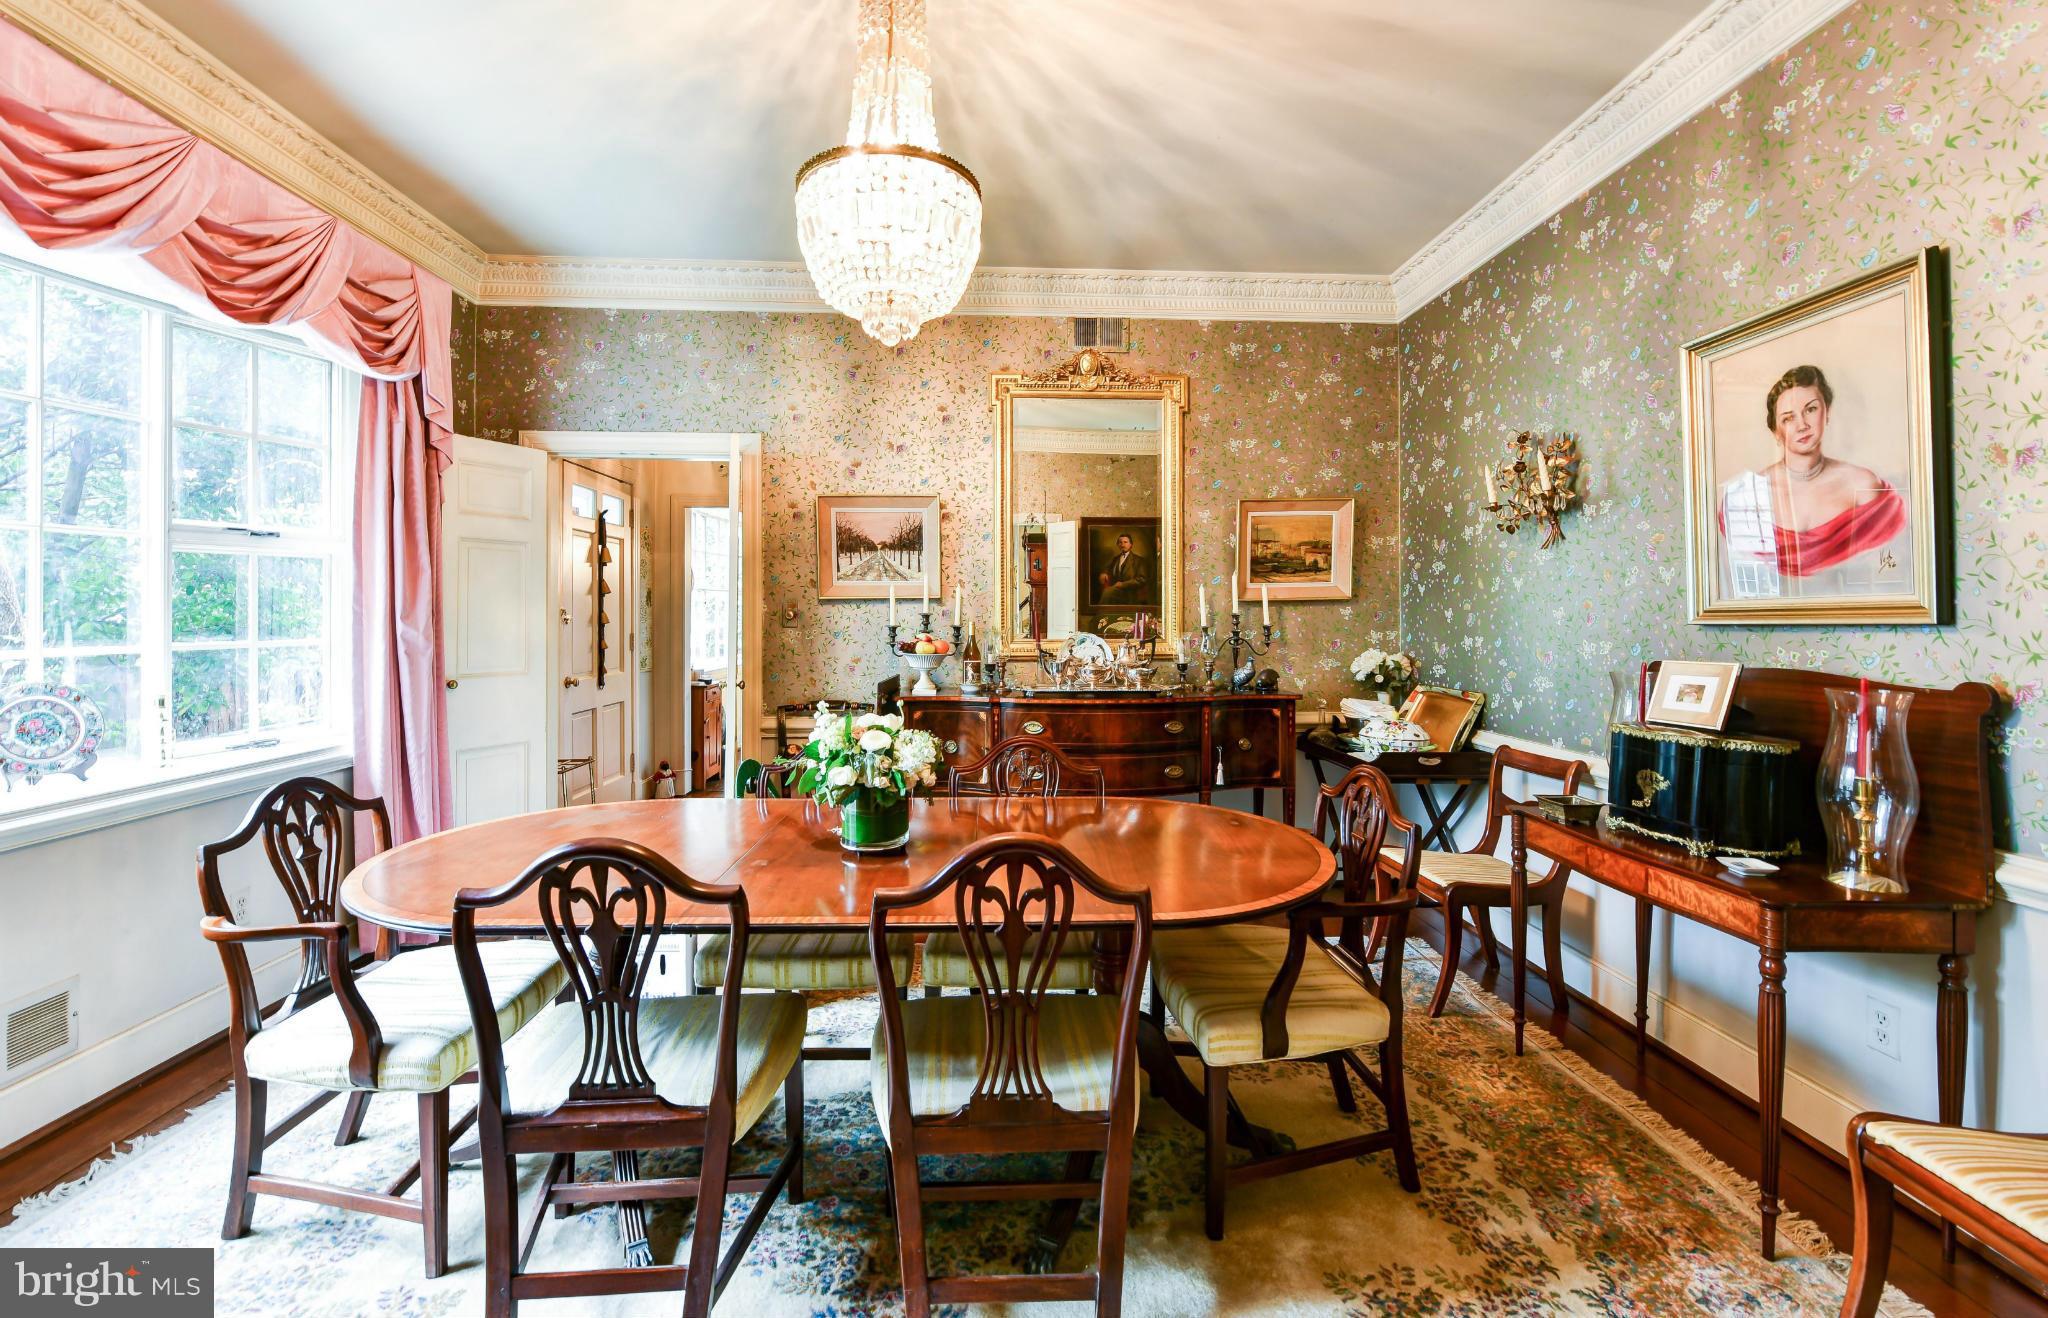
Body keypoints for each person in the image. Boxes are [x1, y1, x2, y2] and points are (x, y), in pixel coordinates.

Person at [1718, 364, 1907, 597]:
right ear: (1776, 431)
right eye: (1788, 418)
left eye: (1811, 409)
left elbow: (1889, 574)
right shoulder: (1746, 496)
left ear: (1826, 412)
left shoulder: (1863, 485)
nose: (1802, 425)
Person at [1097, 532, 1152, 604]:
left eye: (1125, 542)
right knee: (1106, 592)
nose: (1122, 545)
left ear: (1131, 544)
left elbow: (1142, 579)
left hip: (1130, 593)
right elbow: (1108, 569)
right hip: (1116, 591)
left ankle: (1100, 612)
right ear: (1118, 545)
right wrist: (1104, 573)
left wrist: (1123, 584)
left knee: (1107, 592)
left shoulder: (1139, 560)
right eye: (1120, 542)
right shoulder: (1115, 559)